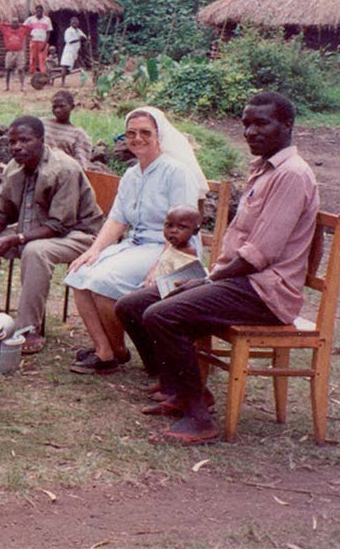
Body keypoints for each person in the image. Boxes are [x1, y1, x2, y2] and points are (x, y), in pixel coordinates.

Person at [115, 92, 318, 445]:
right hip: (236, 279)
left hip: (263, 291)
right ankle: (180, 389)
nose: (251, 132)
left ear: (287, 125)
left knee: (162, 314)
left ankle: (199, 418)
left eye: (261, 123)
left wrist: (207, 279)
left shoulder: (292, 176)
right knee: (132, 305)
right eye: (246, 124)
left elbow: (261, 254)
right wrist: (207, 277)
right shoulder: (264, 170)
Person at [63, 107, 207, 374]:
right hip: (137, 245)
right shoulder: (131, 174)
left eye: (145, 133)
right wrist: (93, 251)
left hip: (172, 249)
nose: (137, 138)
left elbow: (184, 230)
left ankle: (117, 349)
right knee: (78, 272)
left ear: (159, 136)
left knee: (104, 281)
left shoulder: (176, 172)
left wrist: (162, 266)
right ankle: (104, 350)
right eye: (131, 133)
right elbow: (117, 220)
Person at [0, 116, 104, 354]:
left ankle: (28, 328)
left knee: (35, 251)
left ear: (41, 141)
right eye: (12, 142)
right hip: (32, 229)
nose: (17, 147)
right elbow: (0, 214)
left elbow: (59, 225)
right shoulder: (13, 167)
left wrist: (18, 238)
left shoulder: (64, 168)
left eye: (25, 140)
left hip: (77, 235)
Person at [142, 206, 203, 288]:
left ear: (195, 231)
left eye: (181, 227)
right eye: (169, 225)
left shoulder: (186, 256)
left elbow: (181, 284)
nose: (173, 231)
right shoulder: (173, 247)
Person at [42, 91, 94, 168]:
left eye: (62, 106)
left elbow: (81, 166)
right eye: (54, 107)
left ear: (72, 107)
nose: (57, 110)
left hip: (63, 171)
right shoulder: (42, 123)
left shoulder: (79, 134)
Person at [0, 17, 31, 91]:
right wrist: (8, 24)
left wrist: (21, 25)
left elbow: (30, 28)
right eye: (13, 22)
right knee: (8, 69)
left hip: (19, 52)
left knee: (21, 69)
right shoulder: (6, 30)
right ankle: (7, 86)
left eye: (16, 22)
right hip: (10, 52)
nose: (15, 24)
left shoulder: (22, 30)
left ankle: (22, 86)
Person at [23, 5, 54, 79]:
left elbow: (48, 32)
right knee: (33, 58)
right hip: (33, 41)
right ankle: (32, 77)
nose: (39, 12)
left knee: (42, 59)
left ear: (42, 11)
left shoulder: (47, 19)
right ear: (35, 11)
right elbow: (24, 28)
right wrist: (28, 36)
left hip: (42, 42)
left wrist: (45, 43)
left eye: (40, 11)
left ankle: (43, 77)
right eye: (37, 11)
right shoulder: (30, 19)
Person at [59, 17, 88, 85]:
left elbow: (84, 37)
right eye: (73, 23)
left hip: (75, 51)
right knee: (65, 66)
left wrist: (81, 38)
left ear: (78, 24)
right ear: (71, 23)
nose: (75, 24)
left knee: (69, 68)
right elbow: (69, 40)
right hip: (69, 51)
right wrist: (79, 39)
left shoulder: (78, 30)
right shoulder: (68, 31)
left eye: (76, 23)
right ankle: (62, 83)